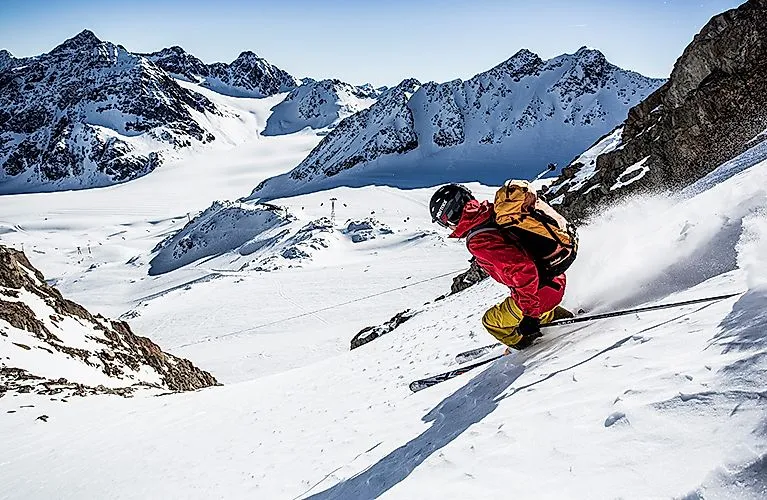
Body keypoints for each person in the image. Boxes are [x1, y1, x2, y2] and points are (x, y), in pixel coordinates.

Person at [430, 184, 572, 350]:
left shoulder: (478, 240)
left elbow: (523, 269)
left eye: (444, 222)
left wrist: (530, 316)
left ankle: (526, 348)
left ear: (451, 217)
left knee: (492, 322)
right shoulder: (491, 212)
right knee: (524, 305)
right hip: (553, 279)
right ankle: (557, 318)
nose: (447, 227)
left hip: (539, 292)